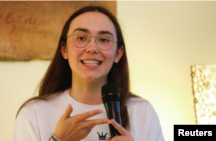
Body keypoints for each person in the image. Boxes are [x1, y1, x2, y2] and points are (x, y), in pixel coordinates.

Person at [12, 6, 164, 141]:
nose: (92, 48)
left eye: (104, 39)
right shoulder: (34, 114)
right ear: (64, 49)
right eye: (81, 38)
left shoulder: (143, 112)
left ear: (118, 53)